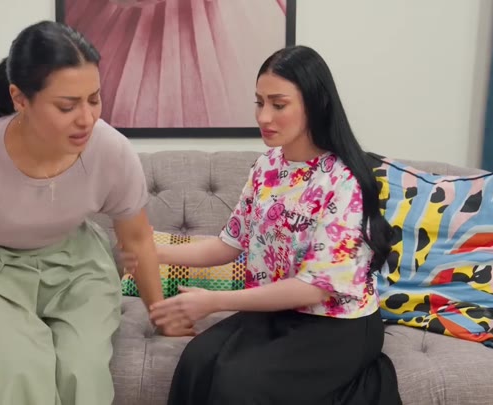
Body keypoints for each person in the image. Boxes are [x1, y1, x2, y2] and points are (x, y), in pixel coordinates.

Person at [0, 20, 192, 405]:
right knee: (19, 368)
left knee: (82, 371)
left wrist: (160, 315)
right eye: (67, 106)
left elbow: (137, 240)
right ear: (20, 98)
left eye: (94, 99)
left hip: (79, 268)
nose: (87, 118)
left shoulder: (112, 151)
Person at [120, 45, 403, 404]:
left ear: (315, 105)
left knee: (237, 384)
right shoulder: (266, 167)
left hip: (337, 324)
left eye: (278, 104)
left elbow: (315, 289)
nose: (264, 116)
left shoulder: (343, 181)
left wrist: (215, 301)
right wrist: (151, 252)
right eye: (259, 102)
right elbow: (227, 244)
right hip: (277, 311)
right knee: (196, 361)